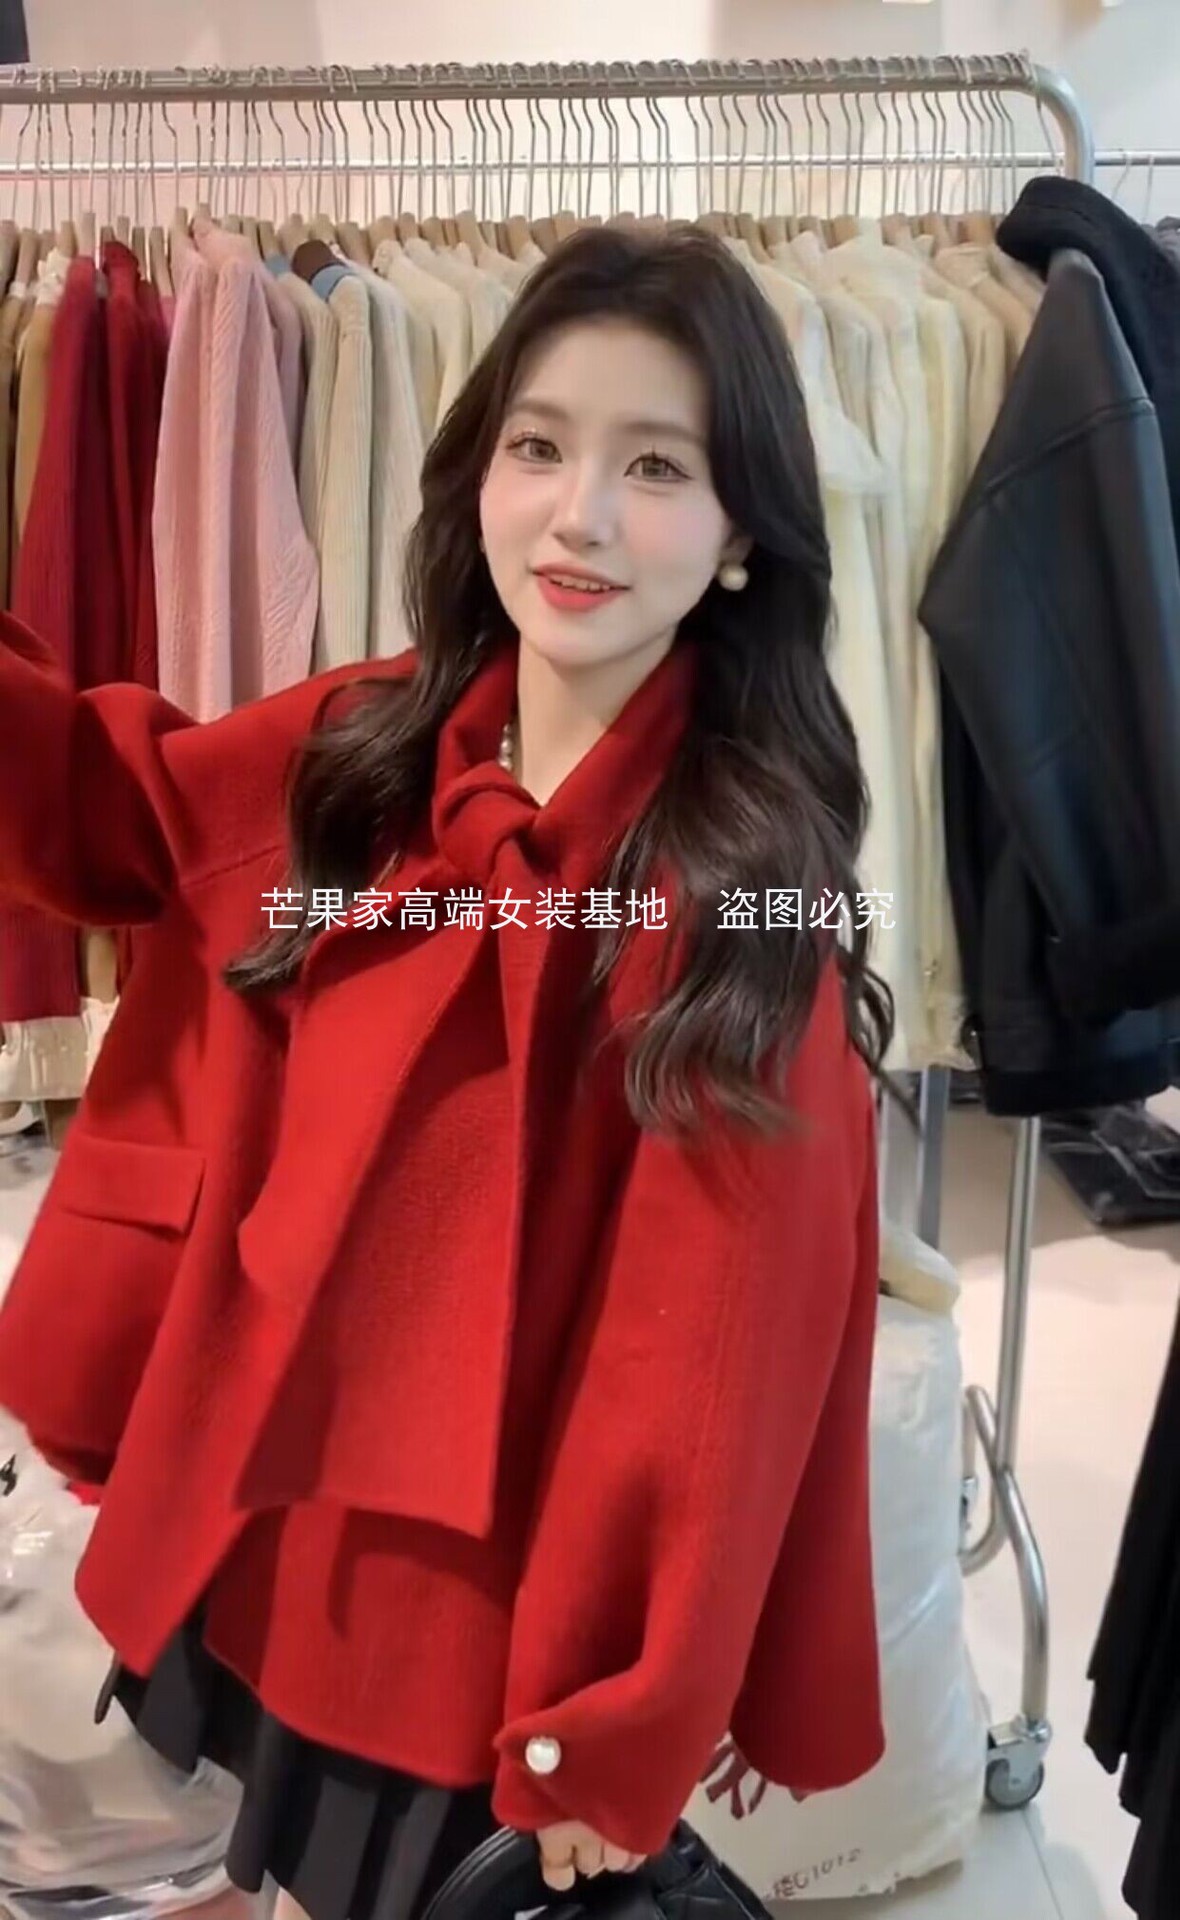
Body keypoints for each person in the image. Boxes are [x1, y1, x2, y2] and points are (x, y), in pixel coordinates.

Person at [0, 226, 891, 1920]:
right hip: (282, 1519)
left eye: (657, 468)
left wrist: (607, 1731)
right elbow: (124, 813)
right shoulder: (378, 745)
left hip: (482, 1623)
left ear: (739, 540)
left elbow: (706, 1374)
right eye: (540, 445)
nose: (580, 516)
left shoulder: (733, 902)